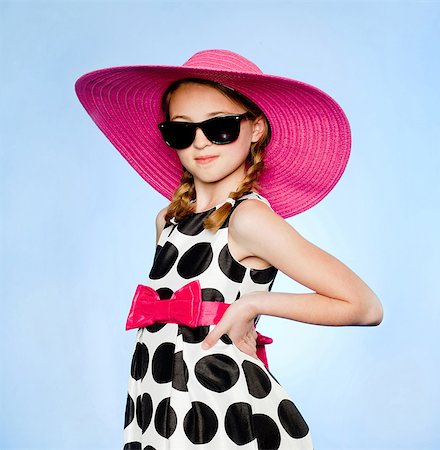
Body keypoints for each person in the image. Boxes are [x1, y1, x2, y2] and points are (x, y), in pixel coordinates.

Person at [75, 49, 383, 450]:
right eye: (182, 131)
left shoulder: (247, 219)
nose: (200, 142)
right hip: (159, 402)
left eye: (219, 127)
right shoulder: (167, 221)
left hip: (221, 409)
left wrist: (252, 306)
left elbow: (364, 306)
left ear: (255, 129)